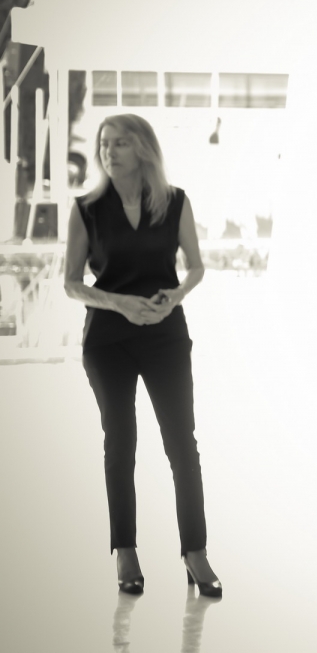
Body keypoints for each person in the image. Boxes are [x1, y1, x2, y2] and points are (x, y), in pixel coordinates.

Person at [64, 113, 221, 598]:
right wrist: (119, 303)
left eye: (120, 143)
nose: (109, 152)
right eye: (104, 144)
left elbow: (196, 268)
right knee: (121, 441)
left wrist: (175, 296)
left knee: (182, 443)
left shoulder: (174, 202)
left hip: (165, 333)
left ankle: (195, 552)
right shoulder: (86, 209)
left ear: (143, 149)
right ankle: (126, 551)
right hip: (107, 339)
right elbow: (71, 283)